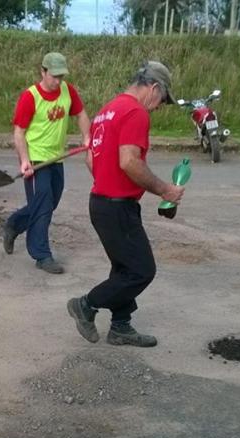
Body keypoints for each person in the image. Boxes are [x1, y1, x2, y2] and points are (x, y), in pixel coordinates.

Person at [66, 61, 184, 347]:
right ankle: (86, 304)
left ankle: (121, 327)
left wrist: (108, 184)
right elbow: (130, 161)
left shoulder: (105, 112)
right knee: (141, 271)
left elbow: (91, 159)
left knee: (123, 268)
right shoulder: (136, 113)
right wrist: (165, 190)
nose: (158, 107)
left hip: (101, 203)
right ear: (154, 88)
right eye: (161, 100)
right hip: (117, 208)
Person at [2, 52, 90, 274]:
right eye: (54, 76)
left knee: (51, 202)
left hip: (56, 157)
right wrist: (24, 161)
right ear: (43, 71)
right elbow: (19, 132)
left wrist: (87, 137)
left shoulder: (68, 91)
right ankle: (41, 255)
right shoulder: (30, 97)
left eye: (61, 76)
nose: (58, 81)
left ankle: (14, 224)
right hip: (35, 158)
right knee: (42, 206)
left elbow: (80, 114)